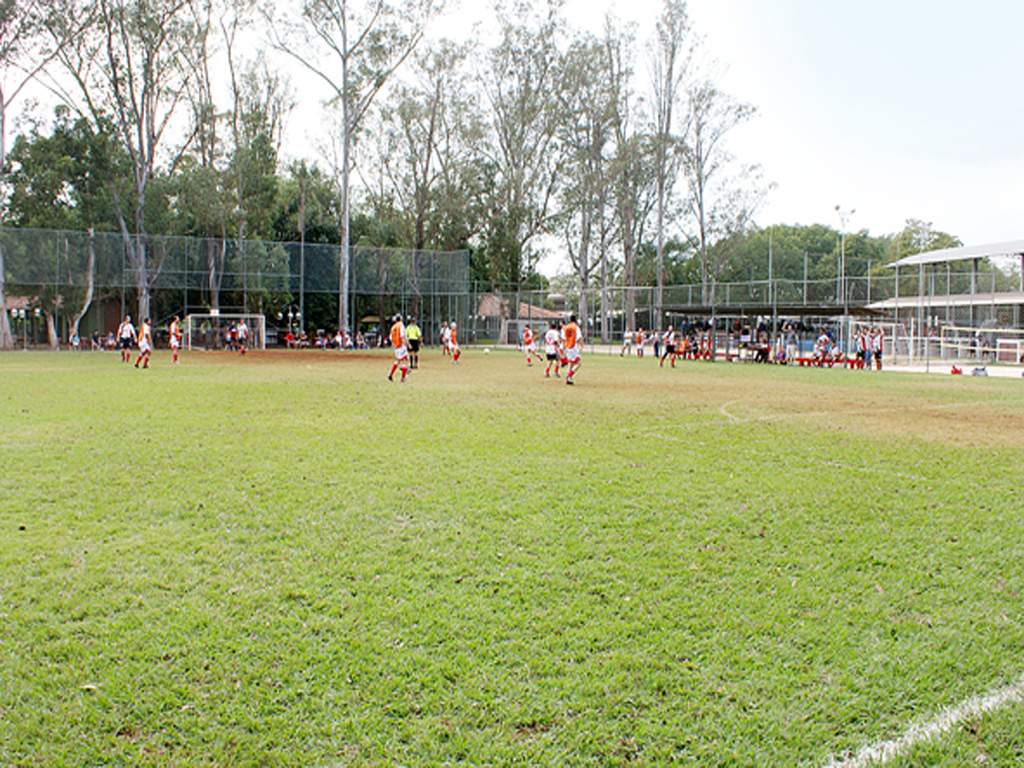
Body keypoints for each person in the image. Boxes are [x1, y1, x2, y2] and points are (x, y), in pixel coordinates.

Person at [387, 314, 409, 382]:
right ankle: (403, 377)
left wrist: (394, 344)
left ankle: (391, 374)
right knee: (404, 361)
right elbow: (402, 336)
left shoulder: (393, 327)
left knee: (399, 360)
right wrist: (406, 344)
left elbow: (390, 338)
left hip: (396, 346)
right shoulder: (401, 325)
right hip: (401, 346)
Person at [562, 314, 582, 385]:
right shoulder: (576, 327)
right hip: (574, 346)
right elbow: (579, 338)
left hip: (568, 347)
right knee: (578, 363)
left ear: (570, 320)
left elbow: (564, 339)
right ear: (575, 320)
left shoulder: (566, 327)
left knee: (570, 363)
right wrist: (581, 346)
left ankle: (568, 379)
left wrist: (564, 348)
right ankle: (569, 376)